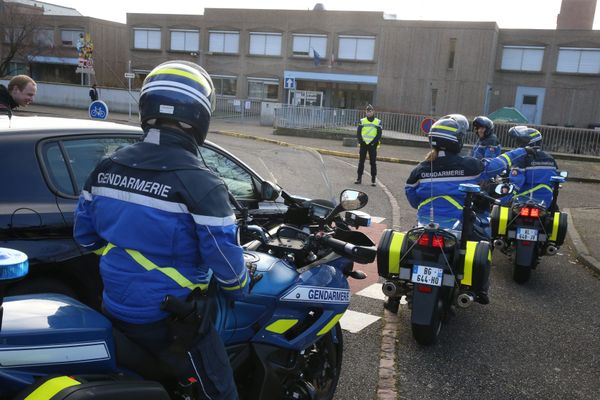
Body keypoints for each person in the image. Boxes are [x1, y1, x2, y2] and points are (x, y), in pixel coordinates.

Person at [74, 60, 247, 399]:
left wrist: (126, 258)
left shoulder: (107, 166)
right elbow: (227, 267)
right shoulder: (202, 181)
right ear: (201, 116)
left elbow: (84, 236)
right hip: (169, 318)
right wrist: (241, 285)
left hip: (114, 304)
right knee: (222, 388)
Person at [405, 116, 531, 304]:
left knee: (409, 245)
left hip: (425, 225)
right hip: (458, 227)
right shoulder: (469, 165)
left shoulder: (420, 170)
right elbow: (497, 164)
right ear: (457, 141)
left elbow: (411, 197)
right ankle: (480, 290)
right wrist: (521, 151)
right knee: (484, 242)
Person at [508, 125, 559, 208]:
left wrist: (507, 196)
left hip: (522, 201)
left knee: (500, 208)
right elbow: (555, 178)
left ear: (528, 142)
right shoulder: (550, 158)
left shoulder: (521, 158)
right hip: (545, 202)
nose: (518, 145)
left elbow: (517, 180)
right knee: (555, 213)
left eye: (520, 142)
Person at [355, 104, 382, 186]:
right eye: (367, 111)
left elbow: (379, 134)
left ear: (373, 112)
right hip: (363, 144)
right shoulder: (362, 120)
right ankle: (359, 178)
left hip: (372, 145)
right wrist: (361, 141)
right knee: (361, 162)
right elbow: (358, 132)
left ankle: (373, 180)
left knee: (373, 162)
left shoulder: (378, 121)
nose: (369, 113)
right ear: (365, 112)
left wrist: (373, 142)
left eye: (370, 111)